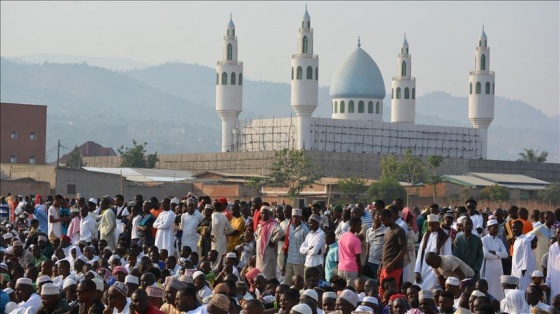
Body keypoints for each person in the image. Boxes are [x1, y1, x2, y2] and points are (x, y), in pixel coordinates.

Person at [414, 214, 452, 290]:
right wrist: (417, 271)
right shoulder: (426, 235)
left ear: (438, 224)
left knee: (434, 289)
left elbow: (448, 256)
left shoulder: (445, 237)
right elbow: (420, 252)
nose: (431, 228)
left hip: (437, 268)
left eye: (433, 225)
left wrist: (445, 275)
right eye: (429, 225)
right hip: (424, 268)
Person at [378, 208, 407, 303]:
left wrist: (392, 263)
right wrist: (381, 265)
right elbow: (385, 250)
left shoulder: (399, 231)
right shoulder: (387, 231)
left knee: (391, 292)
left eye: (384, 220)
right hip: (384, 266)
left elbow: (403, 250)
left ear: (390, 218)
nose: (383, 222)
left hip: (393, 267)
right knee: (382, 291)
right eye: (381, 220)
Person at [255, 206, 285, 280]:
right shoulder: (260, 224)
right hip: (260, 253)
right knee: (260, 273)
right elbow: (256, 235)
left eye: (266, 213)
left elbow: (280, 232)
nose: (264, 215)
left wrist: (272, 240)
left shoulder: (273, 224)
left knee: (268, 274)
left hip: (269, 252)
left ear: (269, 214)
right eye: (262, 213)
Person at [283, 208, 309, 284]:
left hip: (300, 261)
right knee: (287, 282)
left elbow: (308, 244)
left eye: (297, 217)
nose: (295, 218)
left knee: (299, 282)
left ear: (301, 217)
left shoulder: (305, 229)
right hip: (290, 259)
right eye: (293, 216)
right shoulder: (290, 226)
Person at [511, 219, 537, 291]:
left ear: (520, 228)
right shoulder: (516, 240)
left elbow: (526, 256)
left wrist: (524, 271)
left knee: (523, 292)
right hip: (515, 271)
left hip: (522, 273)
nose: (513, 230)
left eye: (514, 228)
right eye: (512, 228)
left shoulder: (525, 241)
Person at [337, 218, 362, 288]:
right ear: (352, 225)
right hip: (352, 269)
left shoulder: (342, 236)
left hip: (341, 267)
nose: (360, 227)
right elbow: (358, 257)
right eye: (359, 225)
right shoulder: (356, 240)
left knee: (340, 289)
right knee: (349, 292)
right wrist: (360, 269)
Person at [300, 214, 325, 281]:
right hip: (307, 264)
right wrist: (309, 248)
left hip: (317, 265)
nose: (309, 225)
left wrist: (307, 251)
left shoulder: (321, 234)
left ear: (317, 223)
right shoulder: (309, 234)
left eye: (311, 223)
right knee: (306, 286)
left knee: (317, 287)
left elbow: (315, 251)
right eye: (309, 223)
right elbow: (301, 250)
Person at [365, 208, 386, 280]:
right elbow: (368, 247)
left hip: (379, 263)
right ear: (373, 217)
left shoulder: (385, 230)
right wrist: (365, 262)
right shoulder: (368, 231)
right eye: (378, 216)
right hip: (370, 261)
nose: (380, 218)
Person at [545, 226, 560, 299]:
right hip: (554, 279)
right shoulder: (552, 247)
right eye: (558, 233)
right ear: (555, 234)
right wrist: (548, 283)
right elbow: (550, 266)